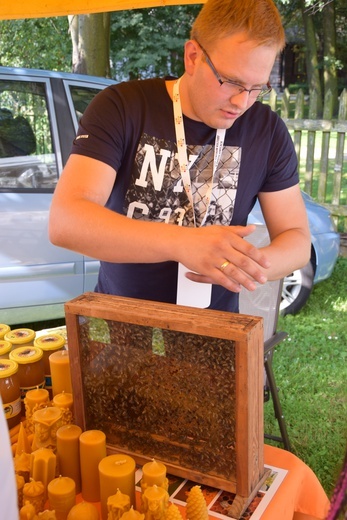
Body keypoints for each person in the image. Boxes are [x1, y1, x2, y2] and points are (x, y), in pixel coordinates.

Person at [49, 0, 310, 313]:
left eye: (258, 88)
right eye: (231, 82)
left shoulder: (267, 131)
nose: (242, 102)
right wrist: (182, 243)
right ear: (193, 57)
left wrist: (249, 266)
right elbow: (66, 221)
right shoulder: (123, 107)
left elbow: (296, 240)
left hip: (213, 332)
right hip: (123, 323)